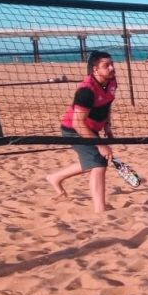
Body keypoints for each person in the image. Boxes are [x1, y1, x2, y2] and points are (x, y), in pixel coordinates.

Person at [45, 51, 119, 213]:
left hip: (91, 128)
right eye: (106, 65)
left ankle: (55, 177)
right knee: (99, 163)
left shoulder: (111, 81)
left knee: (92, 160)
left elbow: (107, 104)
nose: (112, 67)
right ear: (94, 69)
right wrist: (100, 145)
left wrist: (107, 125)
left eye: (112, 63)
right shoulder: (86, 91)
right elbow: (78, 123)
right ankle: (100, 209)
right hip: (73, 129)